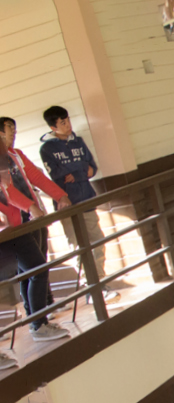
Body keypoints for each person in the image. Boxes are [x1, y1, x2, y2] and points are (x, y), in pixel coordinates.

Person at [0, 116, 74, 350]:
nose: (13, 134)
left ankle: (37, 319)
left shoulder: (16, 155)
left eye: (14, 130)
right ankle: (37, 323)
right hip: (13, 227)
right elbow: (6, 190)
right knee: (36, 269)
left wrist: (60, 195)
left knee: (32, 270)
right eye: (8, 131)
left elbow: (37, 177)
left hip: (30, 222)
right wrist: (30, 207)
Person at [37, 106, 112, 282]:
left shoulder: (79, 142)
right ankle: (89, 284)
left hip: (86, 198)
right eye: (62, 122)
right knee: (78, 246)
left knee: (97, 240)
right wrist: (81, 168)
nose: (68, 125)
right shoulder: (47, 149)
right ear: (53, 127)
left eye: (68, 120)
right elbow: (57, 174)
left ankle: (99, 279)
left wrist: (77, 173)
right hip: (67, 204)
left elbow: (92, 168)